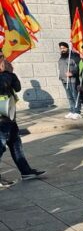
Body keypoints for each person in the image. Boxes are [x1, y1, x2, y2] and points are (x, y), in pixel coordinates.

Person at [0, 55, 45, 186]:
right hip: (1, 118)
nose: (4, 62)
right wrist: (7, 74)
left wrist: (11, 74)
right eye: (2, 59)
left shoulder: (7, 74)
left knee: (15, 143)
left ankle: (26, 171)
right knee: (1, 145)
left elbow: (17, 87)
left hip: (9, 113)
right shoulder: (4, 76)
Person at [58, 42, 82, 119]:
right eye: (61, 48)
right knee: (69, 97)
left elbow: (79, 67)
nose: (62, 50)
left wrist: (72, 73)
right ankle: (72, 111)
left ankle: (77, 112)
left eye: (64, 48)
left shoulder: (74, 57)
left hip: (72, 80)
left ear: (68, 48)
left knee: (75, 96)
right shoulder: (61, 58)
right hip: (64, 80)